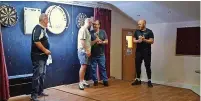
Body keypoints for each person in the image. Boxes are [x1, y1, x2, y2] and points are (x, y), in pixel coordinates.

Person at [31, 13, 51, 101]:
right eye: (48, 19)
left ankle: (40, 91)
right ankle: (34, 95)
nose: (48, 21)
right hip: (38, 57)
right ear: (44, 19)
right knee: (37, 75)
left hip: (43, 57)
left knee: (42, 75)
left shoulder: (43, 29)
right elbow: (36, 41)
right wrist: (45, 50)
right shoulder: (38, 28)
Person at [132, 20, 154, 87]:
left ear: (144, 24)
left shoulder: (149, 31)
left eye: (140, 24)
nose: (139, 25)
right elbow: (133, 40)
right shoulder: (137, 31)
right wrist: (138, 41)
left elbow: (152, 41)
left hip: (146, 52)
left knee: (147, 66)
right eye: (138, 24)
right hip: (138, 51)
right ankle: (138, 80)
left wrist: (144, 40)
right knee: (137, 66)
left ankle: (149, 81)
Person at [77, 18, 95, 90]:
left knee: (85, 66)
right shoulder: (83, 29)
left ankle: (83, 80)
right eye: (91, 23)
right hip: (83, 51)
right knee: (83, 66)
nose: (91, 25)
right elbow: (82, 41)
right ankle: (80, 82)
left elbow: (89, 43)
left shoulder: (87, 30)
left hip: (86, 51)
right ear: (88, 22)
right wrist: (87, 50)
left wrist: (96, 40)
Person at [90, 20, 109, 86]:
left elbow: (107, 41)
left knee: (103, 68)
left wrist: (102, 42)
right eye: (94, 24)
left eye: (96, 24)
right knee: (93, 69)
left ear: (99, 25)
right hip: (93, 54)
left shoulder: (103, 32)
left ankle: (105, 81)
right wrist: (95, 40)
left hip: (101, 54)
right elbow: (89, 43)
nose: (95, 25)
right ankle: (95, 81)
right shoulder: (90, 33)